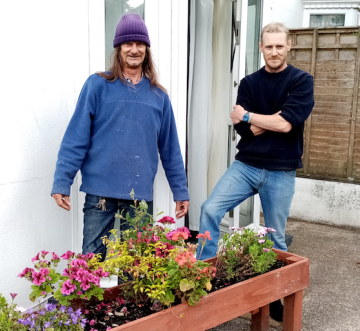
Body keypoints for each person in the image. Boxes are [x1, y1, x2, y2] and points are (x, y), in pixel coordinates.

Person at [51, 13, 189, 262]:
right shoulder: (97, 85)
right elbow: (76, 137)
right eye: (128, 44)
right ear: (118, 48)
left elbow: (170, 149)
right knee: (91, 262)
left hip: (139, 196)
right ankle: (90, 302)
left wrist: (180, 191)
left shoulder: (158, 96)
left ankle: (127, 303)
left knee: (135, 264)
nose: (134, 49)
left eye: (140, 44)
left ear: (146, 49)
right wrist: (62, 181)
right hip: (99, 192)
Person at [198, 22, 314, 259]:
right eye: (269, 46)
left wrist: (250, 116)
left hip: (280, 171)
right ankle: (203, 271)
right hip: (246, 166)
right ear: (260, 47)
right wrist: (271, 120)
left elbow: (284, 125)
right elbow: (244, 129)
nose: (274, 52)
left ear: (289, 46)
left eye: (279, 46)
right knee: (209, 209)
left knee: (275, 238)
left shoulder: (301, 81)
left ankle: (275, 293)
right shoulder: (249, 83)